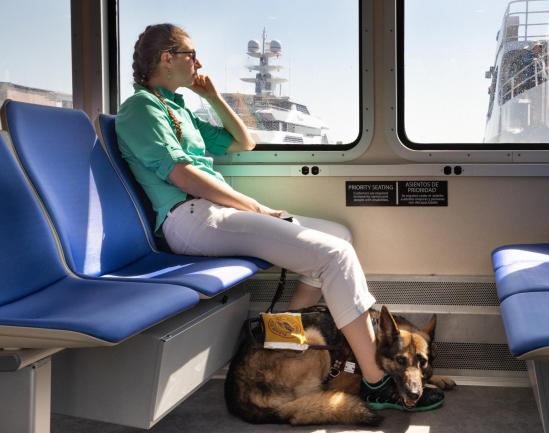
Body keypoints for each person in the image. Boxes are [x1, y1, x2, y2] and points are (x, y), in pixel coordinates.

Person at [115, 23, 444, 412]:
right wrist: (251, 206)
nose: (198, 63)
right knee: (335, 257)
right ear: (167, 58)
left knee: (339, 234)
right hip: (188, 218)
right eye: (191, 54)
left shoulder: (179, 108)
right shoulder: (140, 109)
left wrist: (214, 96)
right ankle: (376, 380)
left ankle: (284, 335)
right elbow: (183, 175)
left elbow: (244, 141)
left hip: (214, 212)